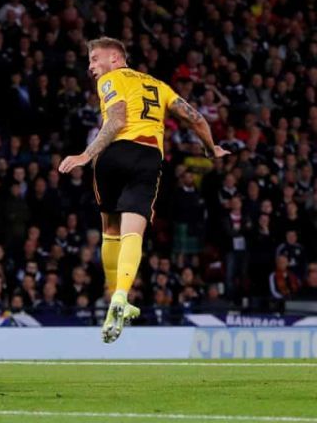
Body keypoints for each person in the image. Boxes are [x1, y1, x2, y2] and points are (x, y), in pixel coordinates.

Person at [59, 37, 228, 343]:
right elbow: (196, 118)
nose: (91, 67)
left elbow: (116, 119)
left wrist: (86, 155)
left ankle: (114, 294)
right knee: (133, 231)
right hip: (148, 157)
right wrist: (211, 148)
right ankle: (121, 296)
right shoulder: (158, 86)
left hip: (115, 154)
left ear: (115, 58)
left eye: (95, 59)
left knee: (110, 229)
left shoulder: (111, 80)